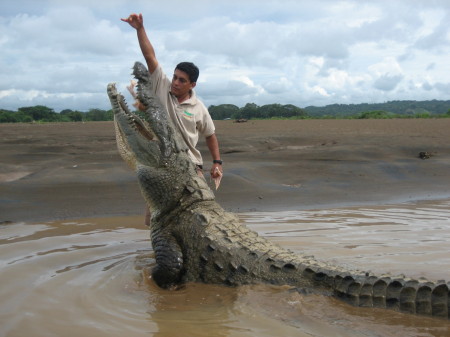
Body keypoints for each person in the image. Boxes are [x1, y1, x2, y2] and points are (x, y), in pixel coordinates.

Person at [121, 13, 223, 226]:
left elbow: (211, 135)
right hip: (161, 163)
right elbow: (150, 57)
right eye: (175, 77)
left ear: (192, 85)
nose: (175, 83)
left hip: (191, 165)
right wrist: (140, 29)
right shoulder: (162, 87)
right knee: (157, 221)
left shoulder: (199, 108)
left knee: (202, 219)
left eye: (182, 80)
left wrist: (217, 163)